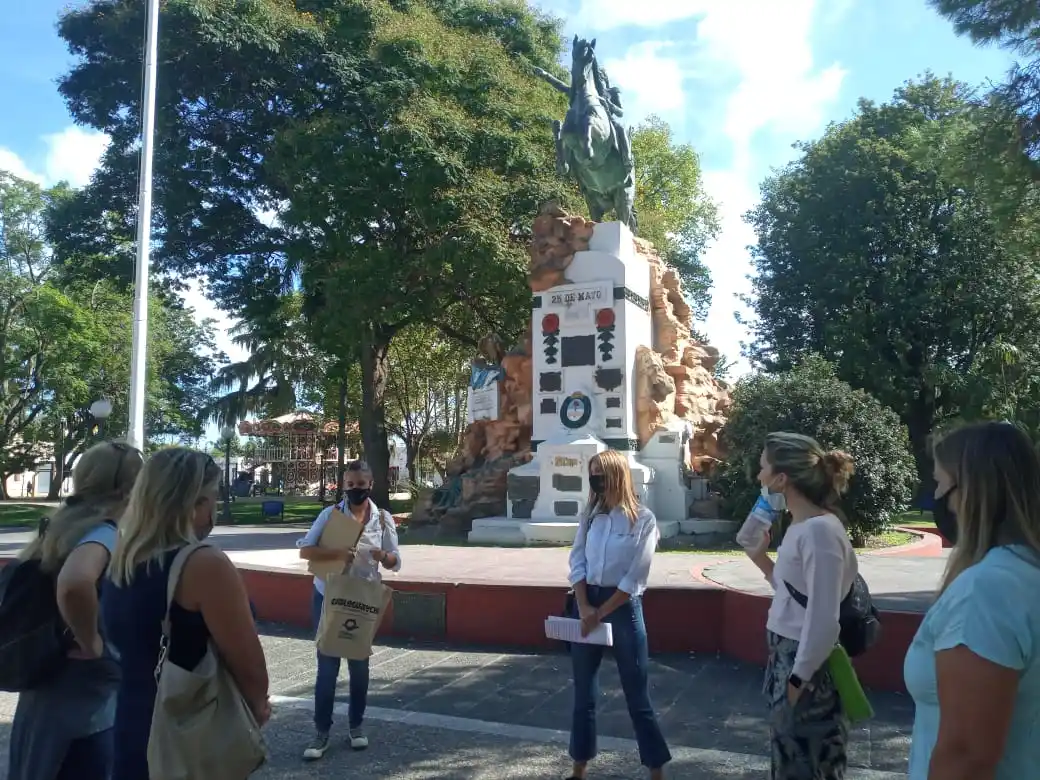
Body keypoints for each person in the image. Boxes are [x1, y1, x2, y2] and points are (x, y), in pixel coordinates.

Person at [102, 447, 270, 780]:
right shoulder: (203, 564)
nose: (214, 509)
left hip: (130, 724)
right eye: (211, 498)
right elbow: (249, 664)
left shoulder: (122, 558)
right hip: (186, 735)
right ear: (194, 503)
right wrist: (257, 707)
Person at [904, 422, 1040, 779]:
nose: (935, 496)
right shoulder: (1024, 573)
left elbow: (966, 755)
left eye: (939, 483)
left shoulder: (987, 591)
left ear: (972, 490)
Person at [7, 441, 142, 780]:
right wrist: (92, 641)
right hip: (85, 707)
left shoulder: (58, 529)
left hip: (44, 686)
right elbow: (76, 582)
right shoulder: (104, 534)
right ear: (128, 490)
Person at [744, 432, 857, 780]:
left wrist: (796, 681)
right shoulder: (801, 526)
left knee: (807, 767)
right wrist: (759, 558)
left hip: (804, 666)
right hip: (787, 658)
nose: (759, 476)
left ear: (782, 478)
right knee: (789, 762)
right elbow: (794, 594)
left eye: (764, 467)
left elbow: (823, 619)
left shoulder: (819, 532)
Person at [566, 449, 670, 780]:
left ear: (616, 475)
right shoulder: (590, 516)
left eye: (600, 472)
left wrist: (601, 612)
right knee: (584, 694)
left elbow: (635, 577)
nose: (595, 479)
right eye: (591, 472)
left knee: (637, 696)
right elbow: (577, 562)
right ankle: (578, 768)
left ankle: (656, 770)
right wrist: (584, 607)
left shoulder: (644, 520)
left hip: (623, 608)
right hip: (587, 603)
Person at [297, 459, 402, 760]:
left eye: (361, 484)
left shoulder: (382, 519)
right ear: (343, 486)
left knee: (359, 665)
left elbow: (397, 562)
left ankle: (356, 727)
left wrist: (385, 556)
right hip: (327, 594)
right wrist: (337, 553)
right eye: (350, 484)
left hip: (362, 597)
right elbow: (306, 549)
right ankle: (321, 734)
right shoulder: (330, 515)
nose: (355, 489)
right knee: (327, 665)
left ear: (371, 485)